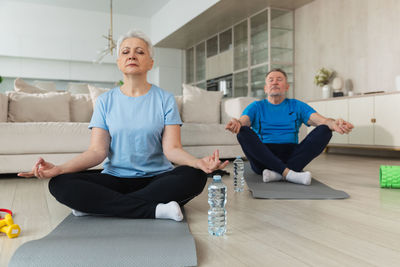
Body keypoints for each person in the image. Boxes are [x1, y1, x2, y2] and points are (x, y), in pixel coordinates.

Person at [18, 30, 228, 221]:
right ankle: (155, 210)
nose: (132, 55)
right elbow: (96, 152)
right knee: (60, 183)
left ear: (150, 63)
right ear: (119, 62)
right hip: (115, 178)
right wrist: (59, 169)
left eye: (140, 52)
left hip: (158, 179)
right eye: (125, 52)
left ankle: (99, 206)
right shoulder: (104, 101)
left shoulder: (165, 99)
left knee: (195, 175)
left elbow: (172, 149)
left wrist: (198, 162)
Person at [225, 68, 353, 185]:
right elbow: (243, 121)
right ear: (265, 88)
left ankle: (278, 174)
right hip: (263, 158)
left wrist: (333, 123)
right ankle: (289, 173)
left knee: (325, 130)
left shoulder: (297, 105)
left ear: (286, 86)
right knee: (242, 131)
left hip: (292, 154)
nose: (275, 82)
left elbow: (321, 120)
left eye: (279, 80)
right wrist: (238, 123)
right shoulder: (256, 106)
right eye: (271, 80)